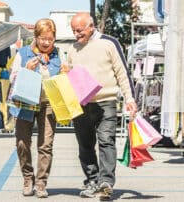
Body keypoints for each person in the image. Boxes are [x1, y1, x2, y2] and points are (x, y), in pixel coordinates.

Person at [64, 12, 137, 200]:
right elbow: (70, 76)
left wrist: (130, 99)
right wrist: (66, 72)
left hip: (106, 101)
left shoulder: (109, 43)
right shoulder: (73, 49)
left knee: (106, 141)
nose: (76, 34)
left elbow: (122, 73)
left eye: (79, 30)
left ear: (91, 26)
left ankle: (106, 182)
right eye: (73, 31)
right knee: (85, 145)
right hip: (81, 104)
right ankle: (92, 181)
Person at [9, 18, 61, 198]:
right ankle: (27, 178)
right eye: (43, 38)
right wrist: (26, 70)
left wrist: (66, 72)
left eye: (51, 39)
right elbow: (12, 79)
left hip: (48, 104)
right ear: (36, 37)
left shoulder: (58, 55)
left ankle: (41, 183)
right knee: (22, 142)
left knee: (46, 145)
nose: (47, 43)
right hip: (26, 102)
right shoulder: (23, 53)